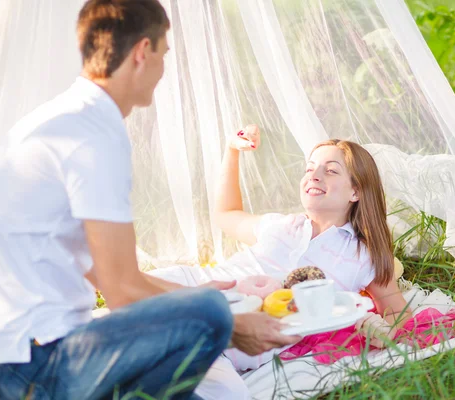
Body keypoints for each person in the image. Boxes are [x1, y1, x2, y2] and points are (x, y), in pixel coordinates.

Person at [0, 1, 298, 399]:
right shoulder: (94, 135)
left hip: (12, 360)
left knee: (203, 325)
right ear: (143, 52)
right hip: (44, 364)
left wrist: (189, 296)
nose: (164, 69)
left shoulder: (58, 118)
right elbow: (122, 290)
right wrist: (230, 323)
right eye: (164, 53)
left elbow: (101, 270)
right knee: (211, 313)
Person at [148, 126, 413, 399]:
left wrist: (382, 331)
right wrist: (232, 151)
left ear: (355, 192)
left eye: (330, 170)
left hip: (233, 340)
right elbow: (226, 213)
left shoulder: (362, 256)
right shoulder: (280, 225)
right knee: (130, 299)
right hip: (192, 287)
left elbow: (398, 312)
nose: (314, 175)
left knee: (226, 393)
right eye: (309, 168)